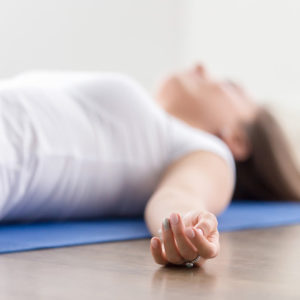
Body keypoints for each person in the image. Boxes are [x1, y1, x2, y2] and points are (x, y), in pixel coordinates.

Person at [0, 66, 297, 268]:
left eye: (229, 85)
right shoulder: (153, 116)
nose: (201, 67)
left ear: (237, 139)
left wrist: (187, 225)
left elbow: (180, 194)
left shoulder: (207, 149)